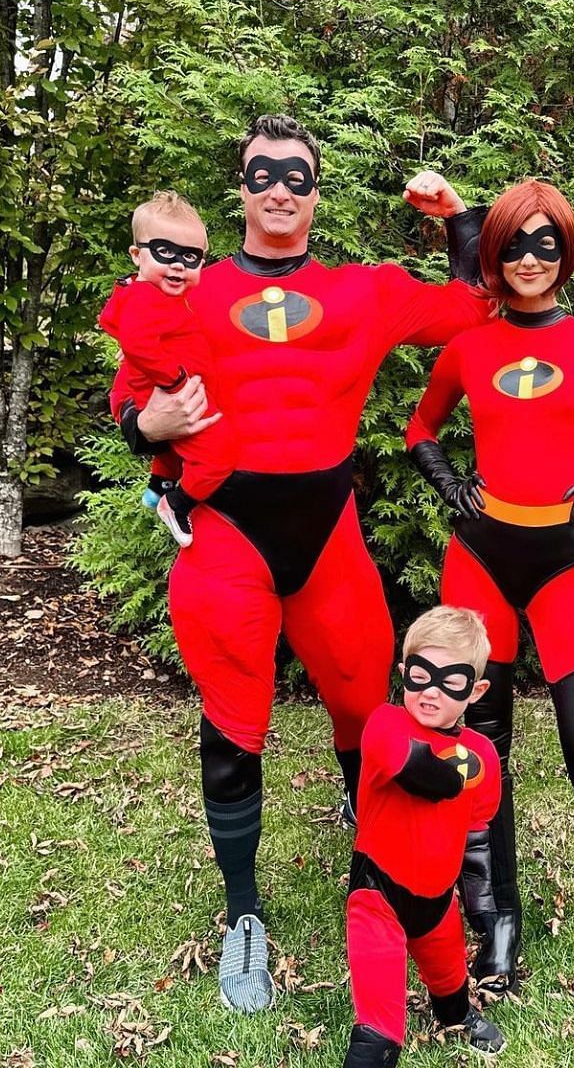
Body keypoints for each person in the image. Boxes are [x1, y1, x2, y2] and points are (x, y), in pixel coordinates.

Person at [110, 113, 492, 1012]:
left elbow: (471, 305)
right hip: (229, 536)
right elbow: (131, 393)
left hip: (328, 537)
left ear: (316, 192)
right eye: (263, 172)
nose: (279, 187)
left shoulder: (366, 290)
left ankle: (383, 878)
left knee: (371, 714)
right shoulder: (184, 293)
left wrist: (458, 217)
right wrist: (142, 428)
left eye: (297, 174)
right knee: (235, 723)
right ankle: (244, 910)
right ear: (240, 189)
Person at [405, 178, 574, 1051]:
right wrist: (452, 488)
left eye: (544, 244)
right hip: (481, 558)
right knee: (483, 754)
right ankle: (502, 920)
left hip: (567, 563)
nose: (528, 259)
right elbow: (421, 430)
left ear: (566, 251)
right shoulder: (470, 345)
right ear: (496, 254)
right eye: (513, 245)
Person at [345, 606, 506, 1066]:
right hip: (379, 895)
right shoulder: (385, 723)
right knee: (379, 1025)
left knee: (450, 975)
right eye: (420, 675)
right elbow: (417, 769)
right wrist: (457, 772)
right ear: (403, 673)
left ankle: (457, 1016)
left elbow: (477, 832)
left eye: (450, 680)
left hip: (438, 901)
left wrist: (480, 899)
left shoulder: (483, 755)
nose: (431, 692)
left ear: (475, 690)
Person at [97, 190, 235, 546]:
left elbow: (122, 327)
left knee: (177, 447)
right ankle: (176, 504)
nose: (178, 265)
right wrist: (173, 380)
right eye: (164, 252)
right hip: (166, 392)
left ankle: (158, 487)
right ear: (137, 255)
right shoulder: (148, 296)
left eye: (190, 257)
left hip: (163, 390)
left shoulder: (159, 295)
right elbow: (137, 343)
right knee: (217, 457)